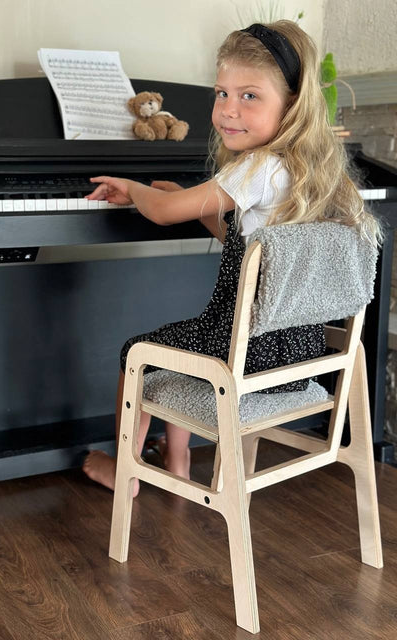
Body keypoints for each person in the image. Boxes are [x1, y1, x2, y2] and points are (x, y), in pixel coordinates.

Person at [82, 20, 381, 496]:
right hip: (295, 351)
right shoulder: (311, 172)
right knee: (181, 340)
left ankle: (125, 471)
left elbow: (160, 213)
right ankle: (177, 459)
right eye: (222, 93)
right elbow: (250, 247)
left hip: (243, 355)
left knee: (139, 353)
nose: (228, 110)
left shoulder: (258, 166)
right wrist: (196, 201)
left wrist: (135, 188)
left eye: (249, 96)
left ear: (292, 104)